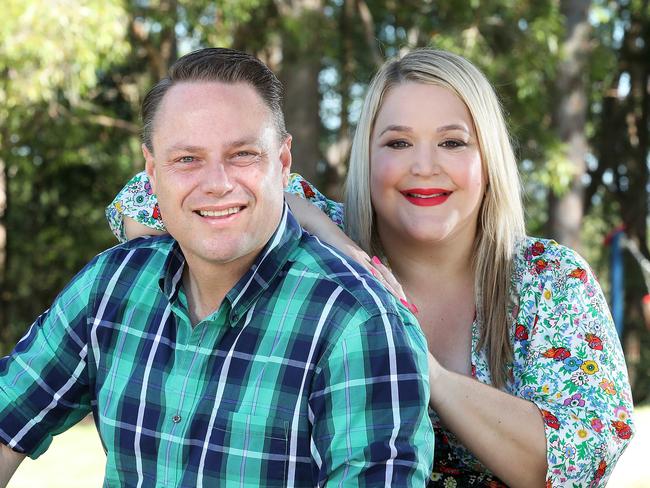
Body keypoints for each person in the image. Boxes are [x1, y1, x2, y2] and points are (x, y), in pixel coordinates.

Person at [109, 48, 635, 487]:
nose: (424, 166)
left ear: (489, 157)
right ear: (367, 155)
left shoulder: (549, 279)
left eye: (453, 142)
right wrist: (351, 253)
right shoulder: (328, 240)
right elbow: (145, 201)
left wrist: (416, 358)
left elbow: (566, 464)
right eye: (398, 143)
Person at [0, 47, 435, 487]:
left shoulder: (357, 320)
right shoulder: (111, 285)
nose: (217, 184)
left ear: (283, 164)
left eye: (242, 154)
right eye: (187, 159)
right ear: (152, 172)